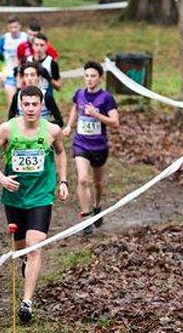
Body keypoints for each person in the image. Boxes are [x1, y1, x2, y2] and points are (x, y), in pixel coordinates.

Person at [0, 86, 69, 323]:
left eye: (34, 104)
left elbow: (61, 153)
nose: (30, 108)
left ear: (41, 105)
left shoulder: (52, 130)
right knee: (20, 248)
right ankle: (26, 263)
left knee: (34, 245)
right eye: (26, 104)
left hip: (41, 196)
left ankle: (27, 302)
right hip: (15, 197)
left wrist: (63, 181)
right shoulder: (7, 129)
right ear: (20, 105)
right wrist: (2, 178)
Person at [61, 61, 119, 232]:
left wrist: (96, 114)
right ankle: (86, 218)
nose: (89, 79)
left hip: (99, 146)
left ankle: (97, 206)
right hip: (81, 143)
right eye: (86, 76)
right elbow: (75, 109)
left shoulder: (106, 98)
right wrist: (69, 126)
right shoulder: (79, 94)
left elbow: (115, 122)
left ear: (100, 78)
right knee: (82, 179)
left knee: (98, 183)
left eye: (93, 76)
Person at [8, 61, 64, 127]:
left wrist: (38, 126)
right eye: (26, 75)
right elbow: (10, 121)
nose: (29, 78)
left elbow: (59, 122)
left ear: (38, 77)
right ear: (23, 78)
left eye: (32, 75)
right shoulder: (17, 96)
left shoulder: (46, 96)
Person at [0, 17, 29, 104]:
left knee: (24, 100)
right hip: (8, 73)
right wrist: (0, 73)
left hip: (23, 73)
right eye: (11, 27)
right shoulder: (4, 38)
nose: (13, 30)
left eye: (15, 27)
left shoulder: (25, 37)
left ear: (20, 26)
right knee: (12, 101)